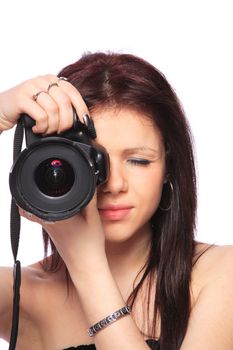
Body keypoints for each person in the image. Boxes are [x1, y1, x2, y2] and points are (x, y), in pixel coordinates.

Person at [0, 52, 233, 350]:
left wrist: (87, 265)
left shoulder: (219, 275)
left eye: (138, 161)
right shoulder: (23, 293)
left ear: (168, 168)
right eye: (93, 163)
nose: (114, 184)